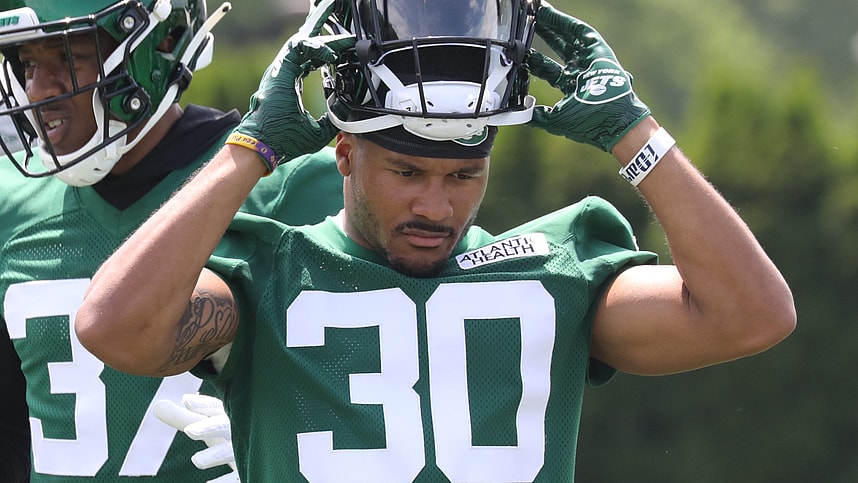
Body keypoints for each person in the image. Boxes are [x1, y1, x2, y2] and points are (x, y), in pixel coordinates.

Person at [75, 0, 797, 481]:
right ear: (347, 155)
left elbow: (752, 314)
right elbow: (112, 326)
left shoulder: (554, 270)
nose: (434, 203)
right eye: (407, 170)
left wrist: (634, 132)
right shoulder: (269, 272)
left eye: (462, 174)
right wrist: (248, 150)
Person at [0, 0, 343, 481]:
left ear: (161, 44)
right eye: (28, 63)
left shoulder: (296, 187)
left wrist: (282, 435)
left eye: (68, 57)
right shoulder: (9, 201)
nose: (38, 89)